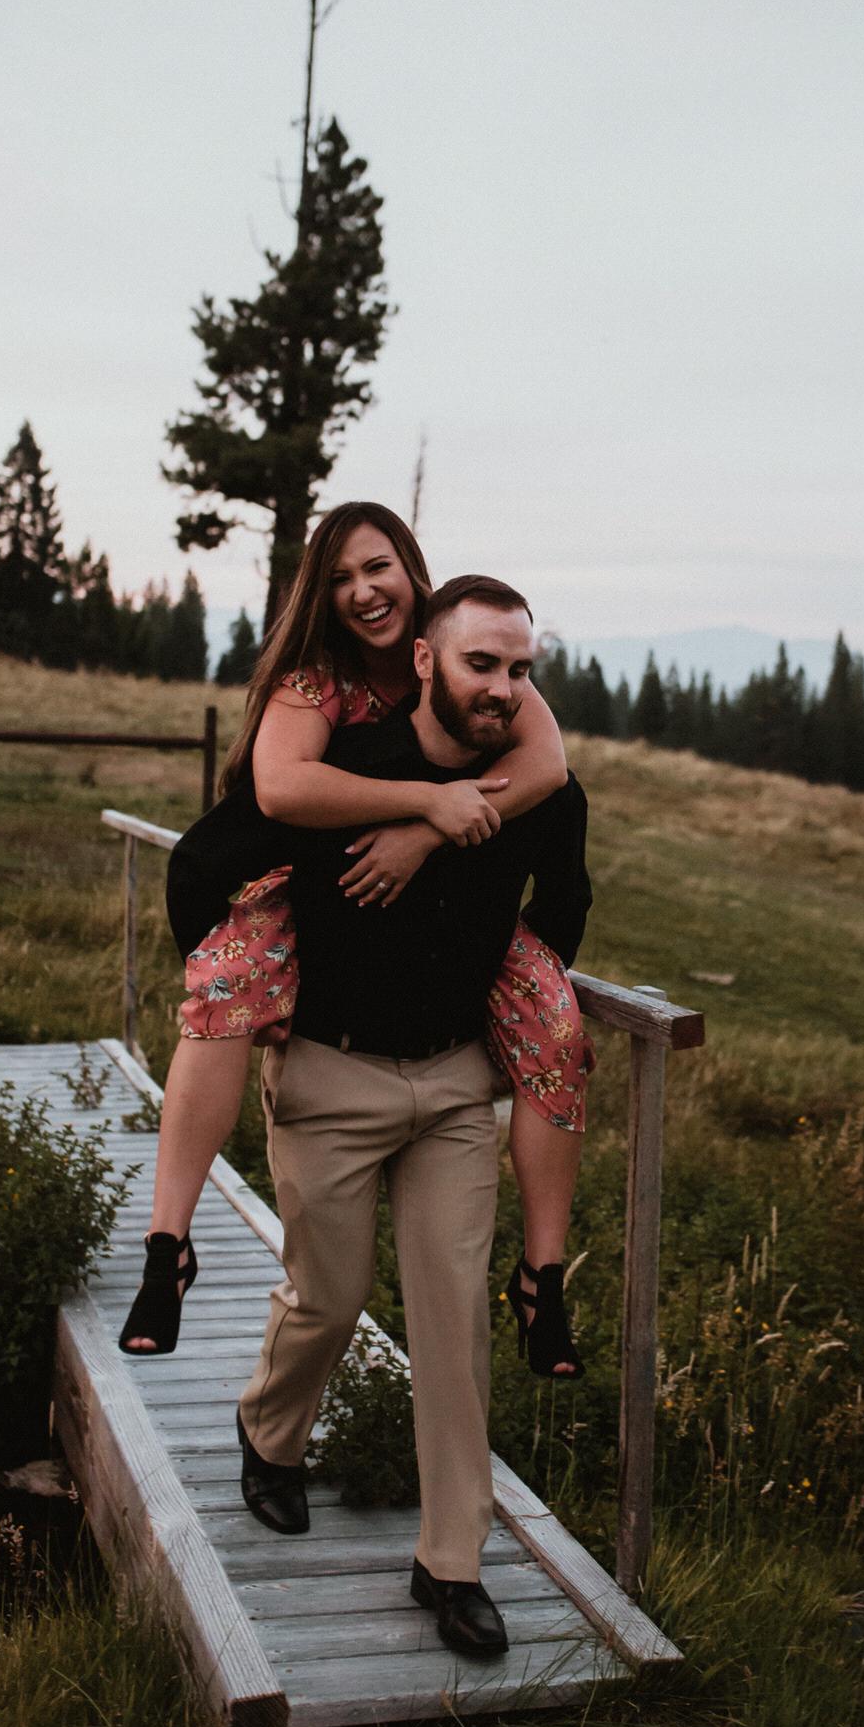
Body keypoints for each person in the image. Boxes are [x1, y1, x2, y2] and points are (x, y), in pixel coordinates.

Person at [119, 503, 593, 1378]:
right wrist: (425, 804)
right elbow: (281, 790)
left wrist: (426, 838)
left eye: (377, 567)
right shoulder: (316, 683)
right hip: (313, 881)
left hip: (455, 899)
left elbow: (547, 768)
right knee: (224, 986)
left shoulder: (473, 653)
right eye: (339, 578)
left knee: (557, 1024)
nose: (363, 591)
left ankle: (543, 1277)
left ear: (411, 569)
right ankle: (167, 1244)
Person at [235, 576, 592, 1656]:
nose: (502, 687)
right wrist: (403, 818)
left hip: (452, 1089)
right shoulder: (349, 767)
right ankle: (269, 1431)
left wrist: (506, 986)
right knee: (330, 1294)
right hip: (330, 1075)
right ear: (427, 661)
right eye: (482, 663)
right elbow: (242, 856)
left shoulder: (536, 790)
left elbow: (563, 903)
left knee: (451, 1316)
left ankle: (451, 1559)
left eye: (520, 669)